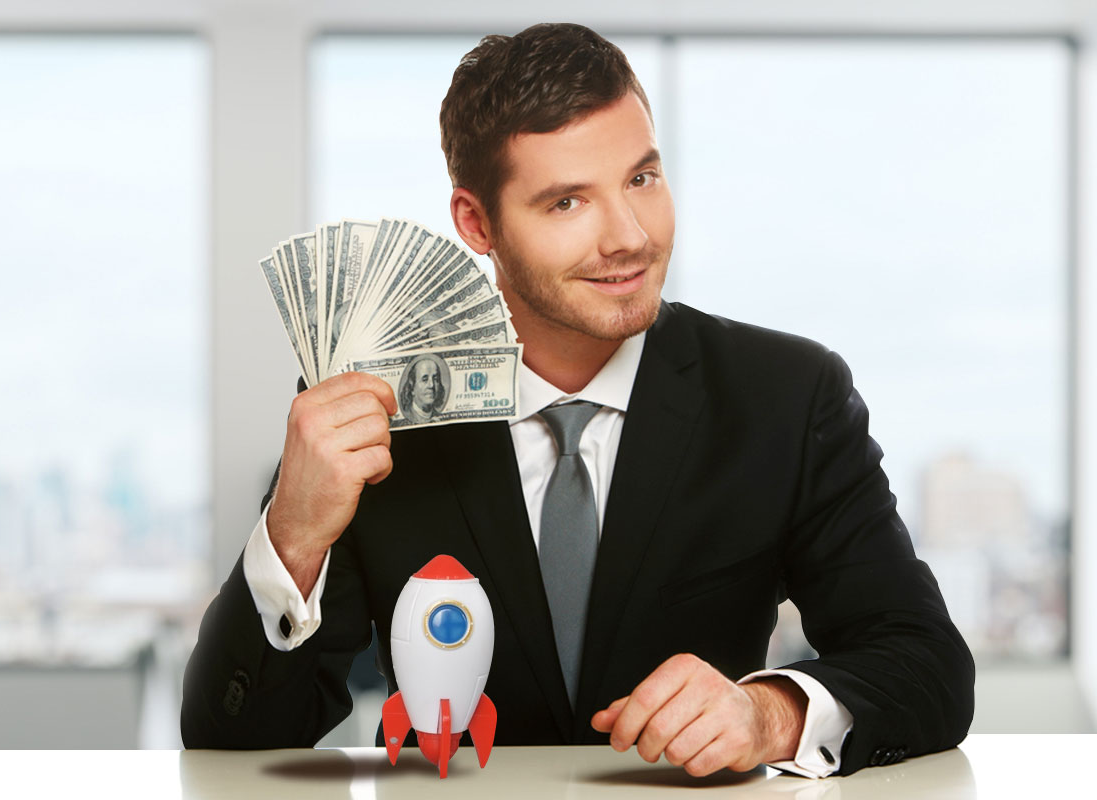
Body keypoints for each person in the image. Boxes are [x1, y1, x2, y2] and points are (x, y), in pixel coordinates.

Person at [181, 23, 973, 778]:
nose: (629, 235)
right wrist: (293, 535)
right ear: (477, 222)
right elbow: (232, 740)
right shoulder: (379, 413)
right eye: (567, 202)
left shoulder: (786, 398)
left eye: (642, 179)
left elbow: (925, 662)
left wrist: (769, 714)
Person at [398, 354, 448, 424]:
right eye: (425, 379)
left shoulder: (440, 417)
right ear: (412, 387)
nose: (431, 385)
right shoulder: (406, 417)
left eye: (435, 379)